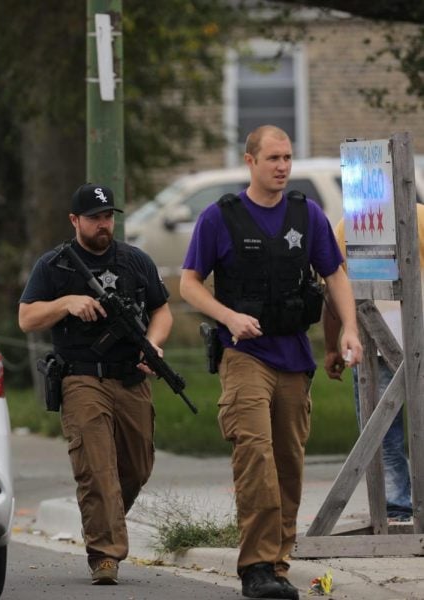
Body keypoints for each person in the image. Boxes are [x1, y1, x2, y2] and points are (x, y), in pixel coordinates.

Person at [179, 125, 363, 600]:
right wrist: (227, 316)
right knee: (255, 456)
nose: (282, 166)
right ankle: (256, 565)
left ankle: (276, 564)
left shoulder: (309, 214)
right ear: (250, 162)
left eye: (287, 158)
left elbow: (334, 274)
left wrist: (349, 330)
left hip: (294, 356)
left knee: (287, 462)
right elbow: (189, 283)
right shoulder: (220, 218)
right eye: (273, 158)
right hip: (244, 356)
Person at [18, 183, 173, 585]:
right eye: (95, 218)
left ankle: (103, 518)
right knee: (97, 469)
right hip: (82, 377)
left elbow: (162, 310)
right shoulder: (54, 266)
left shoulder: (135, 260)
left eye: (108, 218)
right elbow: (27, 318)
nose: (104, 225)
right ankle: (105, 554)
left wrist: (153, 345)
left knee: (137, 467)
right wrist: (65, 303)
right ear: (75, 221)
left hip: (131, 377)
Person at [322, 204, 424, 523]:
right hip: (414, 337)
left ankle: (395, 506)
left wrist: (330, 346)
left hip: (372, 342)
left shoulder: (349, 225)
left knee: (380, 433)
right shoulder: (419, 216)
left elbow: (333, 292)